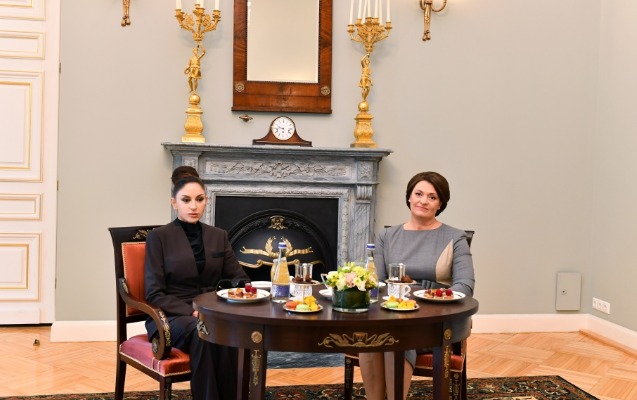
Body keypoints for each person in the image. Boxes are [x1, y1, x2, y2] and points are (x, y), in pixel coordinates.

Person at [359, 171, 475, 400]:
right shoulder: (387, 236)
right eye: (418, 194)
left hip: (436, 319)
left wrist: (422, 293)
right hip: (392, 314)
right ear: (409, 197)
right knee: (372, 338)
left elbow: (465, 287)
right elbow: (377, 284)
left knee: (395, 340)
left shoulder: (455, 237)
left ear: (440, 204)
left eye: (432, 197)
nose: (423, 201)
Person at [144, 166, 249, 400]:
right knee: (204, 329)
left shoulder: (218, 235)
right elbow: (154, 293)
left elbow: (239, 278)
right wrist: (192, 311)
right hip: (172, 315)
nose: (194, 206)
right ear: (174, 203)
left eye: (199, 199)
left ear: (206, 201)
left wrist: (243, 294)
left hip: (212, 310)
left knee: (235, 329)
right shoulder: (158, 238)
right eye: (186, 200)